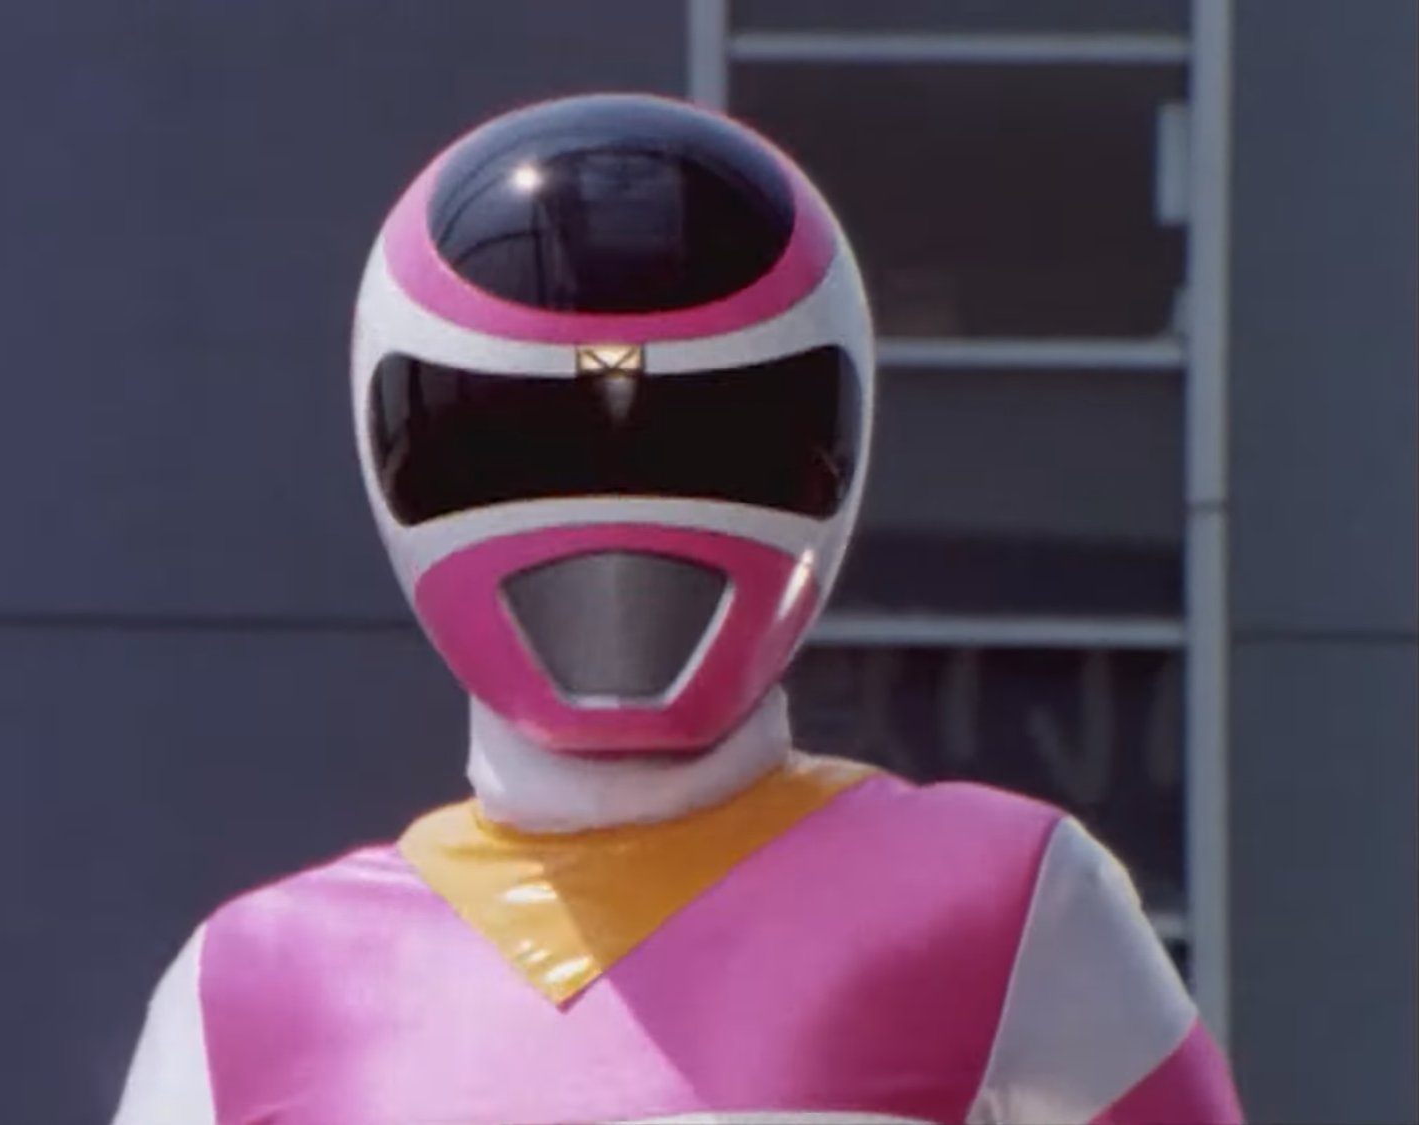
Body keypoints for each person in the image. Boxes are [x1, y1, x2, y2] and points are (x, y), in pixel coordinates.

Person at [111, 92, 1244, 1125]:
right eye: (532, 441)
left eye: (703, 433)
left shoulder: (1005, 905)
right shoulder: (248, 991)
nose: (615, 509)